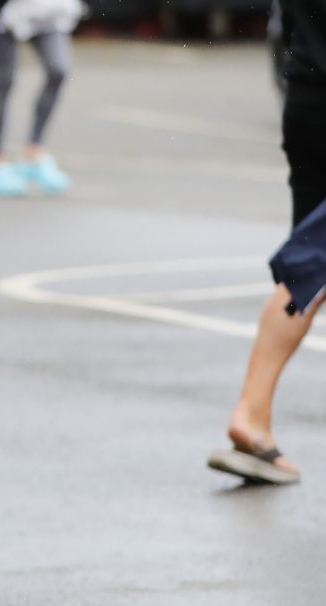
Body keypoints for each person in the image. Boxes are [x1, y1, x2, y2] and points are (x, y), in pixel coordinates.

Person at [208, 0, 326, 484]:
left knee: (313, 270)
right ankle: (251, 416)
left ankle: (254, 418)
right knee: (313, 265)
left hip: (307, 98)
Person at [0, 0, 85, 197]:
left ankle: (34, 152)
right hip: (7, 12)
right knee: (5, 79)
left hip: (49, 10)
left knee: (59, 70)